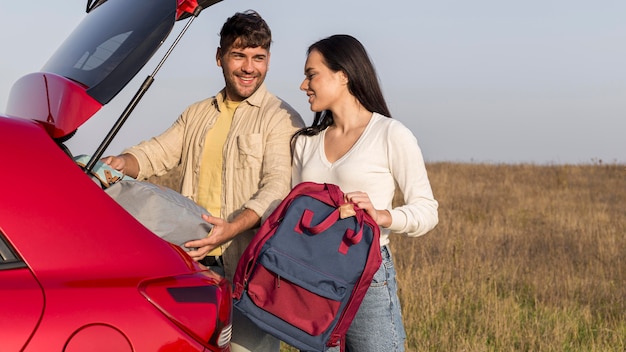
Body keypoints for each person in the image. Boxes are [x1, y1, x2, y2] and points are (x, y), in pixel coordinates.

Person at [103, 10, 304, 352]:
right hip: (192, 266)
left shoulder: (280, 118)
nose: (249, 67)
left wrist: (231, 227)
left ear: (268, 59)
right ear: (219, 57)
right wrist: (121, 163)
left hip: (248, 270)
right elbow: (156, 153)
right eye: (239, 55)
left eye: (259, 58)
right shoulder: (197, 113)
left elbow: (276, 189)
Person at [291, 34, 439, 351]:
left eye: (311, 74)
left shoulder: (390, 134)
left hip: (367, 276)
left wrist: (383, 216)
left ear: (342, 75)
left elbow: (427, 211)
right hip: (313, 277)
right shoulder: (305, 142)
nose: (304, 85)